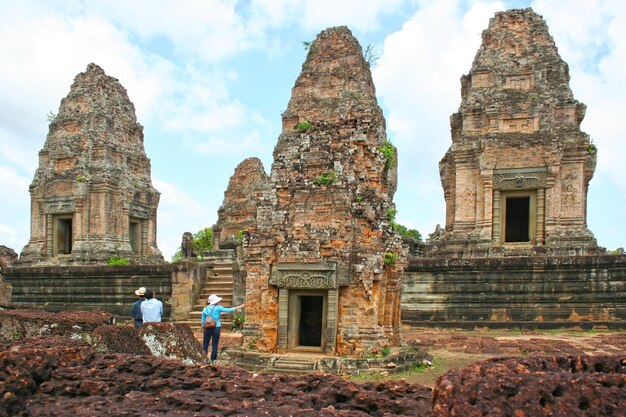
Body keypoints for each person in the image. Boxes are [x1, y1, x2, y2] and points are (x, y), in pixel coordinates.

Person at [202, 294, 245, 362]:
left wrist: (203, 327)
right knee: (215, 344)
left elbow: (203, 320)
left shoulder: (205, 309)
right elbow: (228, 310)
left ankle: (203, 359)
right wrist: (240, 306)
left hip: (207, 328)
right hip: (216, 327)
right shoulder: (218, 308)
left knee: (205, 344)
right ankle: (213, 360)